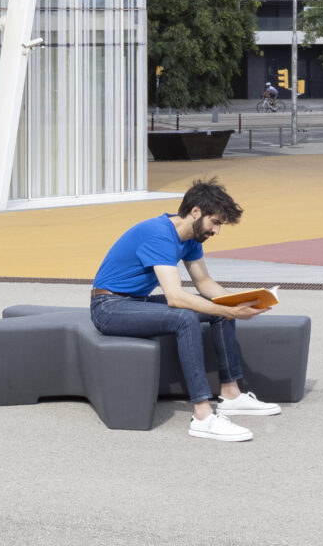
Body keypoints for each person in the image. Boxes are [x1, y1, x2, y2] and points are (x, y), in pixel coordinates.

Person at [90, 179, 280, 443]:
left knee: (219, 310)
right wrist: (233, 312)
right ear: (195, 211)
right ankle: (202, 415)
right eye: (215, 222)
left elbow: (204, 283)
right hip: (109, 307)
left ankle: (231, 394)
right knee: (185, 317)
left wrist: (237, 303)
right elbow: (175, 297)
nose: (217, 231)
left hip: (136, 302)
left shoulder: (191, 237)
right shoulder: (158, 234)